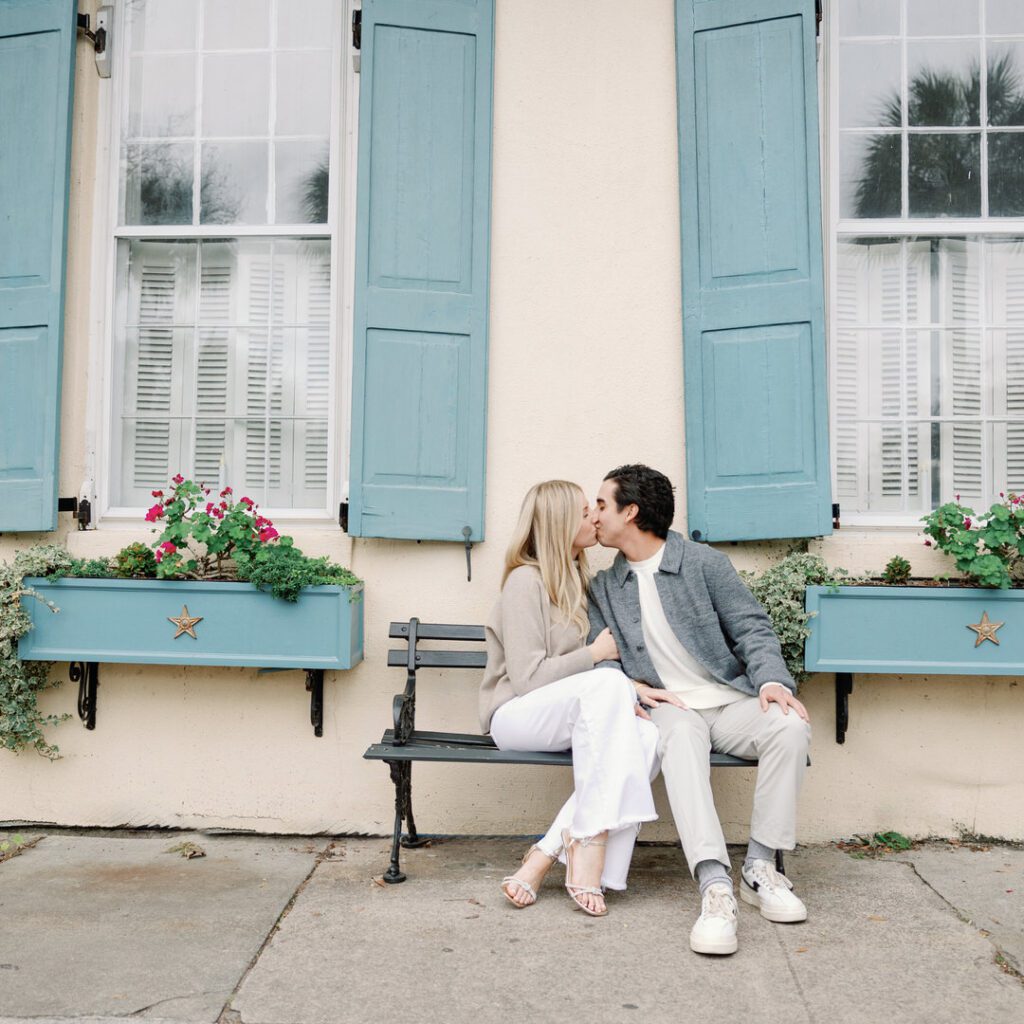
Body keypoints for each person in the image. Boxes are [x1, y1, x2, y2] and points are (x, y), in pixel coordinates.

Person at [588, 464, 811, 954]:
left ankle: (760, 867)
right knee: (681, 738)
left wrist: (772, 681)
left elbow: (752, 628)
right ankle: (714, 886)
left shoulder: (704, 563)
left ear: (631, 511)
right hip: (670, 707)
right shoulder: (605, 587)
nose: (594, 514)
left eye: (602, 504)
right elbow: (599, 658)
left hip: (729, 702)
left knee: (790, 726)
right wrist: (629, 687)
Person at [479, 480, 660, 917]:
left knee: (648, 736)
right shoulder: (525, 582)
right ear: (560, 524)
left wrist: (625, 690)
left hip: (561, 714)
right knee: (611, 690)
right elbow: (527, 679)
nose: (594, 517)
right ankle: (591, 850)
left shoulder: (578, 580)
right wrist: (595, 655)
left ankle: (544, 854)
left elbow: (588, 682)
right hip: (513, 716)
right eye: (583, 512)